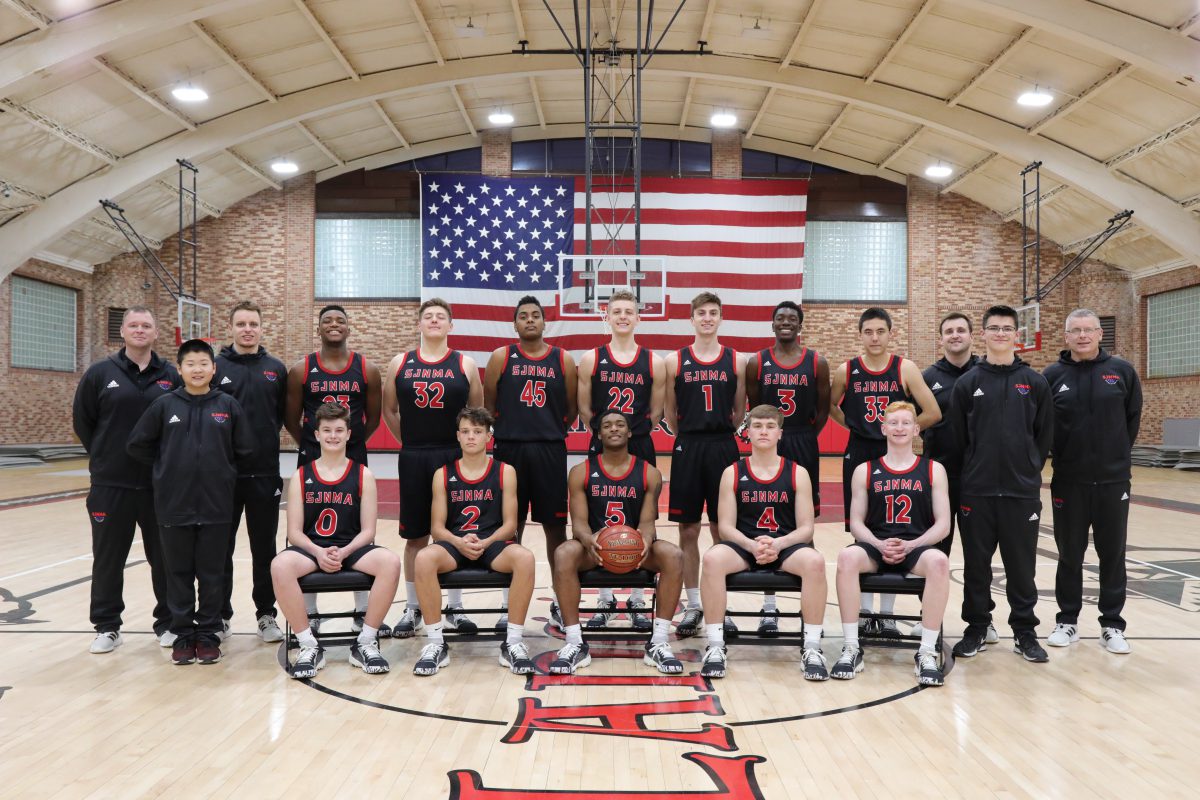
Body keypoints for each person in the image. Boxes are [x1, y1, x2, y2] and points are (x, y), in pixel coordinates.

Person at [126, 339, 255, 665]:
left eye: (203, 364)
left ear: (214, 368)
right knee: (178, 574)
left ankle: (208, 634)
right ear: (180, 369)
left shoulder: (227, 405)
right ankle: (183, 635)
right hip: (173, 506)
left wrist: (221, 474)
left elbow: (245, 450)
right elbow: (137, 446)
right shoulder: (164, 405)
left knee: (212, 573)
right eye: (190, 364)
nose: (197, 370)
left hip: (216, 506)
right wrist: (166, 466)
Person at [949, 305, 1053, 663]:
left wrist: (1027, 469)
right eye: (993, 327)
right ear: (984, 334)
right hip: (976, 492)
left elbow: (1043, 436)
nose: (1000, 333)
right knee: (976, 566)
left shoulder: (1035, 383)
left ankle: (1025, 632)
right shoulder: (968, 384)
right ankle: (977, 627)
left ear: (1016, 335)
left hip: (1021, 492)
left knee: (1021, 568)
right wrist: (975, 470)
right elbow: (959, 440)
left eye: (1006, 328)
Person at [72, 306, 178, 654]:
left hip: (157, 485)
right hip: (110, 485)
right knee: (108, 558)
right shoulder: (100, 373)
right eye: (133, 325)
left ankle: (168, 623)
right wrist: (106, 456)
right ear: (123, 332)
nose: (140, 330)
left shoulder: (171, 376)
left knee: (163, 559)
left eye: (146, 325)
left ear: (156, 332)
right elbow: (84, 422)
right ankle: (106, 626)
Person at [269, 402, 401, 679]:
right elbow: (294, 532)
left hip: (352, 548)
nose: (332, 436)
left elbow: (368, 530)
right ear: (316, 434)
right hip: (312, 547)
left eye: (339, 430)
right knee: (280, 566)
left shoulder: (363, 474)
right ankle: (308, 645)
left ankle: (365, 641)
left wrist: (345, 551)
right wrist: (318, 552)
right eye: (326, 430)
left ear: (349, 434)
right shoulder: (301, 475)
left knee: (390, 562)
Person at [829, 307, 939, 636]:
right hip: (860, 452)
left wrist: (903, 430)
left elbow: (933, 411)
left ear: (891, 334)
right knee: (862, 531)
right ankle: (864, 612)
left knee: (897, 530)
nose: (874, 337)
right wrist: (855, 425)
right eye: (868, 332)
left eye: (880, 331)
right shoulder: (846, 370)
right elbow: (830, 406)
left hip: (896, 454)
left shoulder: (904, 368)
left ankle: (888, 615)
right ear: (860, 335)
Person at [548, 411, 684, 675]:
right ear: (598, 434)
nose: (614, 429)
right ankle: (575, 643)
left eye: (620, 425)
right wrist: (590, 540)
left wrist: (643, 540)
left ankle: (658, 642)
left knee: (674, 555)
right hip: (594, 548)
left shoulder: (650, 473)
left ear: (630, 432)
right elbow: (578, 524)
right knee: (564, 552)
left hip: (634, 548)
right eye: (607, 426)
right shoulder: (580, 471)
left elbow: (647, 522)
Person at [698, 405, 827, 680]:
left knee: (815, 562)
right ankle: (715, 645)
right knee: (711, 559)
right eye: (757, 426)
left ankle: (813, 647)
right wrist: (751, 545)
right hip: (744, 545)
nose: (764, 431)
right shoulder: (732, 472)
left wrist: (779, 545)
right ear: (748, 432)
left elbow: (806, 528)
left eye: (770, 426)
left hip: (785, 546)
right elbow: (725, 527)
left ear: (780, 433)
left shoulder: (797, 472)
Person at [382, 299, 484, 638]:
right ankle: (412, 608)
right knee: (416, 535)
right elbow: (390, 410)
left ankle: (454, 606)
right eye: (428, 317)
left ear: (451, 325)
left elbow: (476, 415)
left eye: (441, 317)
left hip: (454, 457)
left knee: (454, 532)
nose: (435, 321)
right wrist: (409, 442)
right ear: (419, 324)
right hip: (414, 455)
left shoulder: (465, 364)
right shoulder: (400, 362)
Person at [1043, 309, 1142, 655]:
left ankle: (1112, 625)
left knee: (1112, 554)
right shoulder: (1052, 376)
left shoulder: (1122, 373)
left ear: (1100, 334)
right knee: (1070, 553)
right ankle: (1066, 621)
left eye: (1088, 330)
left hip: (1113, 481)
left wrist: (1113, 459)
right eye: (1075, 330)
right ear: (1066, 336)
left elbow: (1131, 422)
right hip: (1069, 481)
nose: (1082, 336)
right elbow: (1044, 427)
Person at [411, 407, 536, 676]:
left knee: (525, 557)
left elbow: (511, 525)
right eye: (466, 432)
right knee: (423, 558)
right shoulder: (442, 474)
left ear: (488, 437)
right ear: (457, 436)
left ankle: (513, 643)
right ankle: (435, 643)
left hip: (492, 543)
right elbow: (436, 528)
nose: (471, 437)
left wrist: (486, 540)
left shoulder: (505, 471)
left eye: (478, 432)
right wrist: (458, 542)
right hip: (454, 544)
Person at [833, 401, 951, 686]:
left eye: (906, 423)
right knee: (846, 558)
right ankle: (851, 646)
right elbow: (856, 522)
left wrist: (911, 546)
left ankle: (925, 652)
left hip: (916, 546)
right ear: (883, 428)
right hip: (876, 544)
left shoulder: (934, 469)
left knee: (939, 562)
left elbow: (943, 525)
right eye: (894, 423)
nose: (899, 428)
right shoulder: (864, 470)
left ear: (916, 429)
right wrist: (879, 543)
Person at [285, 305, 382, 629]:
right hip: (313, 454)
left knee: (354, 525)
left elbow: (374, 417)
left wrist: (349, 442)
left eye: (340, 320)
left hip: (351, 454)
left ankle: (360, 612)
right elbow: (290, 417)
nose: (334, 325)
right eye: (327, 320)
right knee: (309, 527)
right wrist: (315, 442)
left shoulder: (366, 369)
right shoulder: (302, 369)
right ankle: (310, 613)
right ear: (319, 328)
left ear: (348, 327)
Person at [484, 295, 577, 627]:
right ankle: (509, 602)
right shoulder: (501, 357)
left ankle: (558, 597)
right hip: (509, 451)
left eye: (535, 315)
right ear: (515, 324)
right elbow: (489, 404)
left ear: (543, 321)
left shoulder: (562, 359)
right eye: (523, 316)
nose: (529, 320)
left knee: (555, 527)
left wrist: (547, 430)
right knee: (510, 527)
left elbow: (572, 409)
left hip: (550, 449)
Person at [576, 288, 666, 630]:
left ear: (638, 318)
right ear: (607, 317)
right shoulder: (591, 359)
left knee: (643, 516)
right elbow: (585, 409)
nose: (624, 316)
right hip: (602, 445)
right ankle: (604, 599)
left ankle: (639, 599)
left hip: (639, 444)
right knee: (601, 515)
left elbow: (656, 412)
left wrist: (631, 433)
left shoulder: (653, 362)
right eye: (617, 311)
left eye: (629, 311)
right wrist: (607, 433)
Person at [744, 300, 829, 635]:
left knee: (803, 523)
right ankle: (769, 607)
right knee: (767, 517)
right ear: (772, 323)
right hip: (769, 439)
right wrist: (771, 435)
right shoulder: (757, 362)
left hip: (802, 440)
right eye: (780, 318)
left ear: (800, 324)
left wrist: (802, 436)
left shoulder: (816, 362)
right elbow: (755, 406)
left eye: (792, 319)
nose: (786, 323)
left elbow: (822, 409)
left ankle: (809, 611)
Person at [665, 292, 746, 638]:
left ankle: (719, 602)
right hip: (688, 445)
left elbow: (740, 410)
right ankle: (695, 603)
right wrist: (687, 435)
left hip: (723, 446)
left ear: (720, 318)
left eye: (713, 313)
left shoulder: (736, 360)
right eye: (702, 313)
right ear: (692, 318)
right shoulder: (675, 360)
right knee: (688, 530)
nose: (707, 318)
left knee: (721, 527)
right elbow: (670, 412)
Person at [920, 312, 997, 646]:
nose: (955, 335)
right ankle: (929, 621)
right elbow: (912, 420)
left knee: (978, 555)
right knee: (936, 553)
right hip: (938, 477)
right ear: (941, 339)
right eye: (948, 331)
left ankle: (982, 620)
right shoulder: (927, 378)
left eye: (960, 330)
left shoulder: (987, 375)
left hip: (979, 478)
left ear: (971, 336)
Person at [214, 300, 287, 644]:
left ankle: (266, 615)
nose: (247, 329)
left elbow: (285, 415)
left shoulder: (276, 368)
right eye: (241, 323)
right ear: (231, 328)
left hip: (264, 475)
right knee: (219, 549)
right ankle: (220, 616)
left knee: (264, 549)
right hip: (223, 475)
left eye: (253, 324)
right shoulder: (215, 367)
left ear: (261, 327)